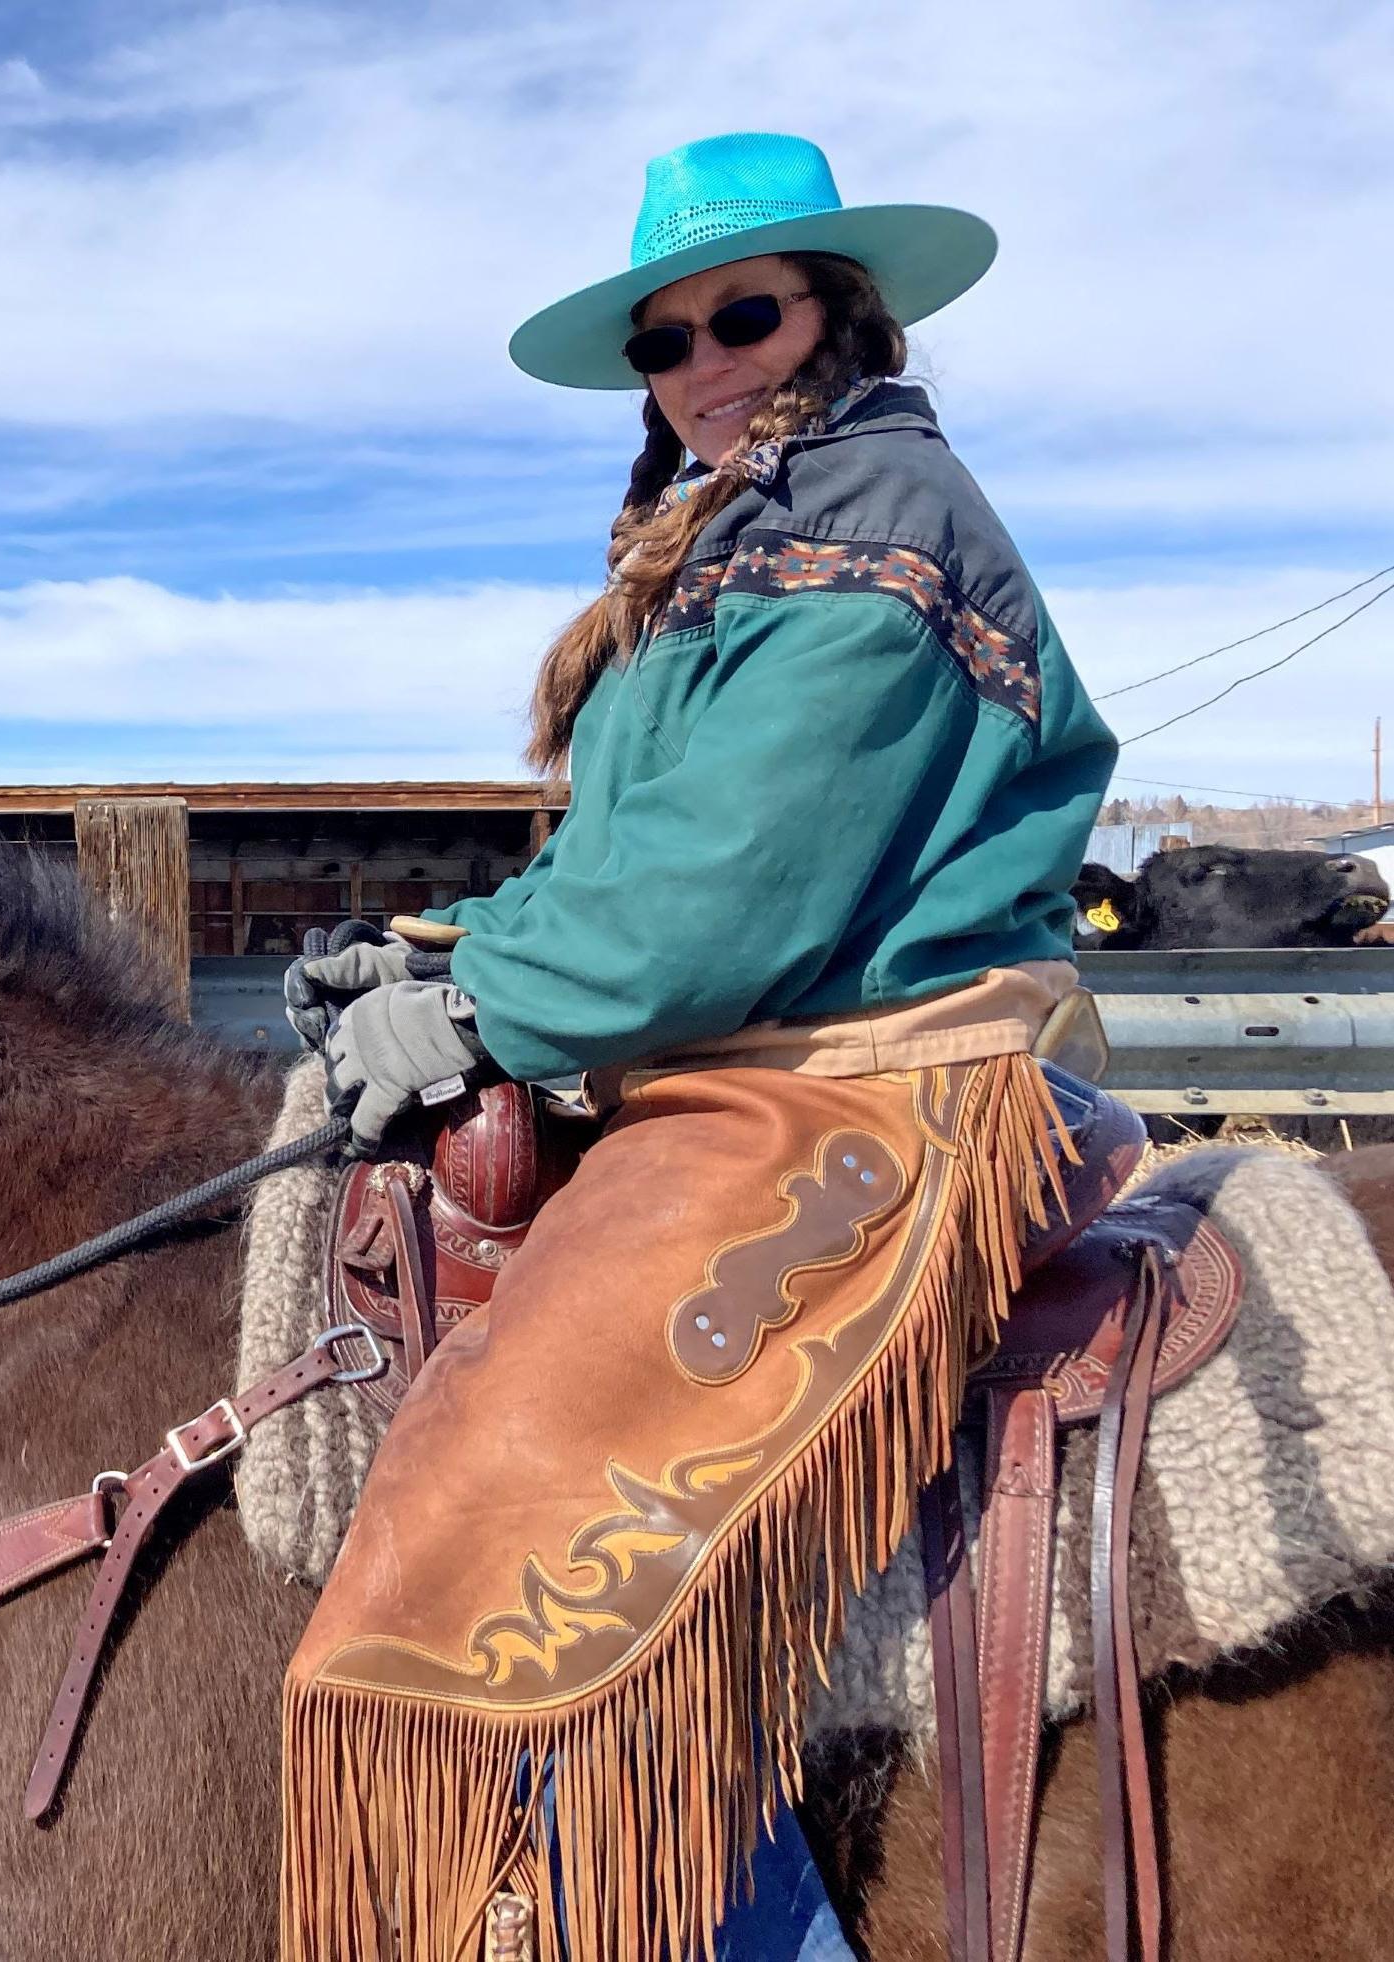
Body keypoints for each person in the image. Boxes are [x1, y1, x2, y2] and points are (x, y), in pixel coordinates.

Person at [280, 132, 1116, 1962]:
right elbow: (627, 861)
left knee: (530, 1532)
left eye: (745, 314)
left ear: (839, 316)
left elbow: (715, 900)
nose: (706, 362)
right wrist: (449, 947)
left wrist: (484, 1000)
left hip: (852, 1081)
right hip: (744, 1058)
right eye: (668, 341)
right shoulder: (730, 543)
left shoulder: (877, 524)